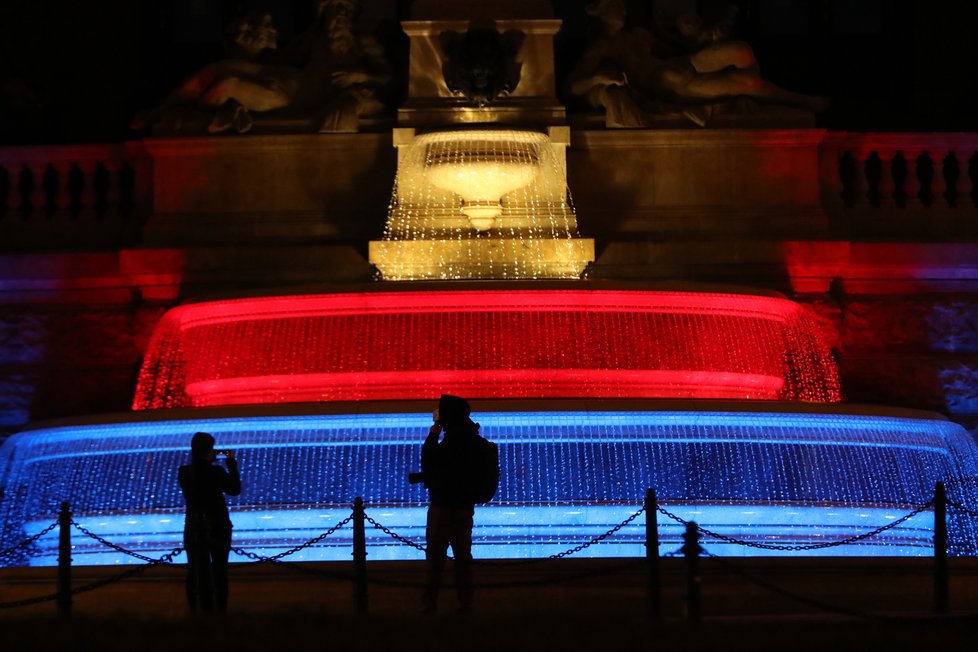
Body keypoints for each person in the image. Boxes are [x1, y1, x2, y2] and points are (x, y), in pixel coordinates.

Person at [568, 0, 828, 128]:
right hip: (681, 87)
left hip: (684, 64)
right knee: (748, 82)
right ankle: (798, 100)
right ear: (600, 10)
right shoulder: (601, 47)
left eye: (622, 4)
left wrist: (702, 37)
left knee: (742, 51)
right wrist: (598, 79)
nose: (622, 7)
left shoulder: (635, 35)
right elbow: (573, 86)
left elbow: (673, 45)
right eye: (615, 4)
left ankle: (750, 101)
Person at [420, 394, 499, 614]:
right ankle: (466, 603)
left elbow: (428, 461)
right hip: (465, 508)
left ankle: (430, 604)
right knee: (463, 558)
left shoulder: (449, 442)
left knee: (435, 558)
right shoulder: (474, 441)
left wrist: (433, 432)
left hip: (442, 507)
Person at [178, 431, 241, 614]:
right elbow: (235, 490)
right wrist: (231, 463)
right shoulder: (216, 472)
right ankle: (220, 611)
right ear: (209, 450)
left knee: (195, 571)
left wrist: (206, 460)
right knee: (219, 571)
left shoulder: (184, 473)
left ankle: (197, 612)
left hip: (193, 525)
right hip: (218, 526)